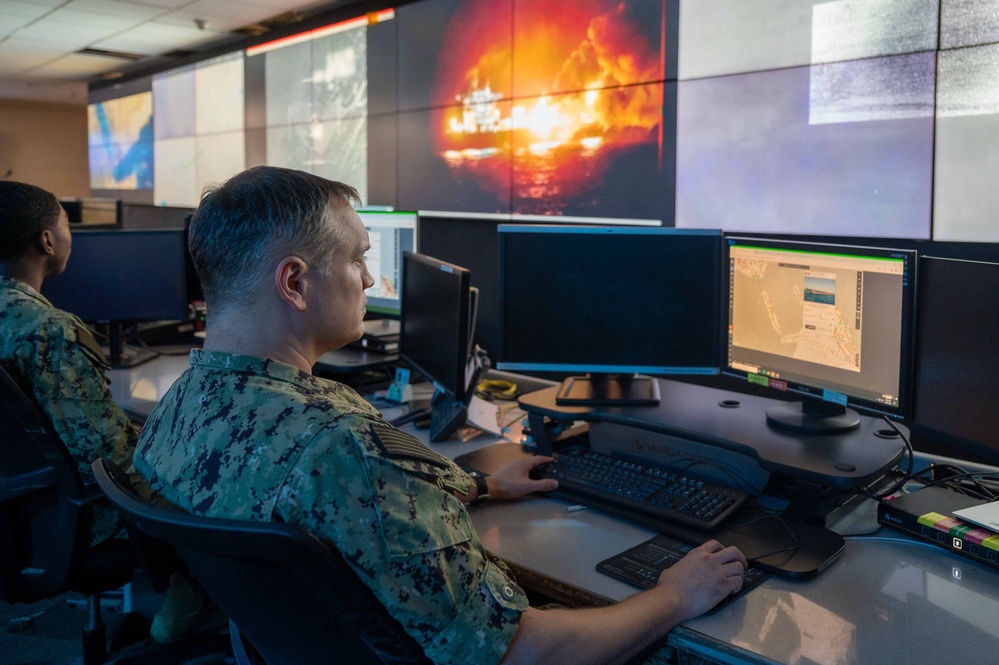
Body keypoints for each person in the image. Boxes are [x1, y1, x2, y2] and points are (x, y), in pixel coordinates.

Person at [132, 165, 748, 665]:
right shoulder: (345, 446)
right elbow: (520, 654)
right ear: (293, 282)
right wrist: (672, 597)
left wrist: (479, 483)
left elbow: (332, 509)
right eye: (357, 259)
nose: (370, 277)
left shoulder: (177, 410)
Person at [0, 181, 137, 547]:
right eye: (67, 225)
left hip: (20, 514)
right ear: (47, 241)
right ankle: (183, 599)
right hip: (76, 521)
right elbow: (109, 458)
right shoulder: (48, 330)